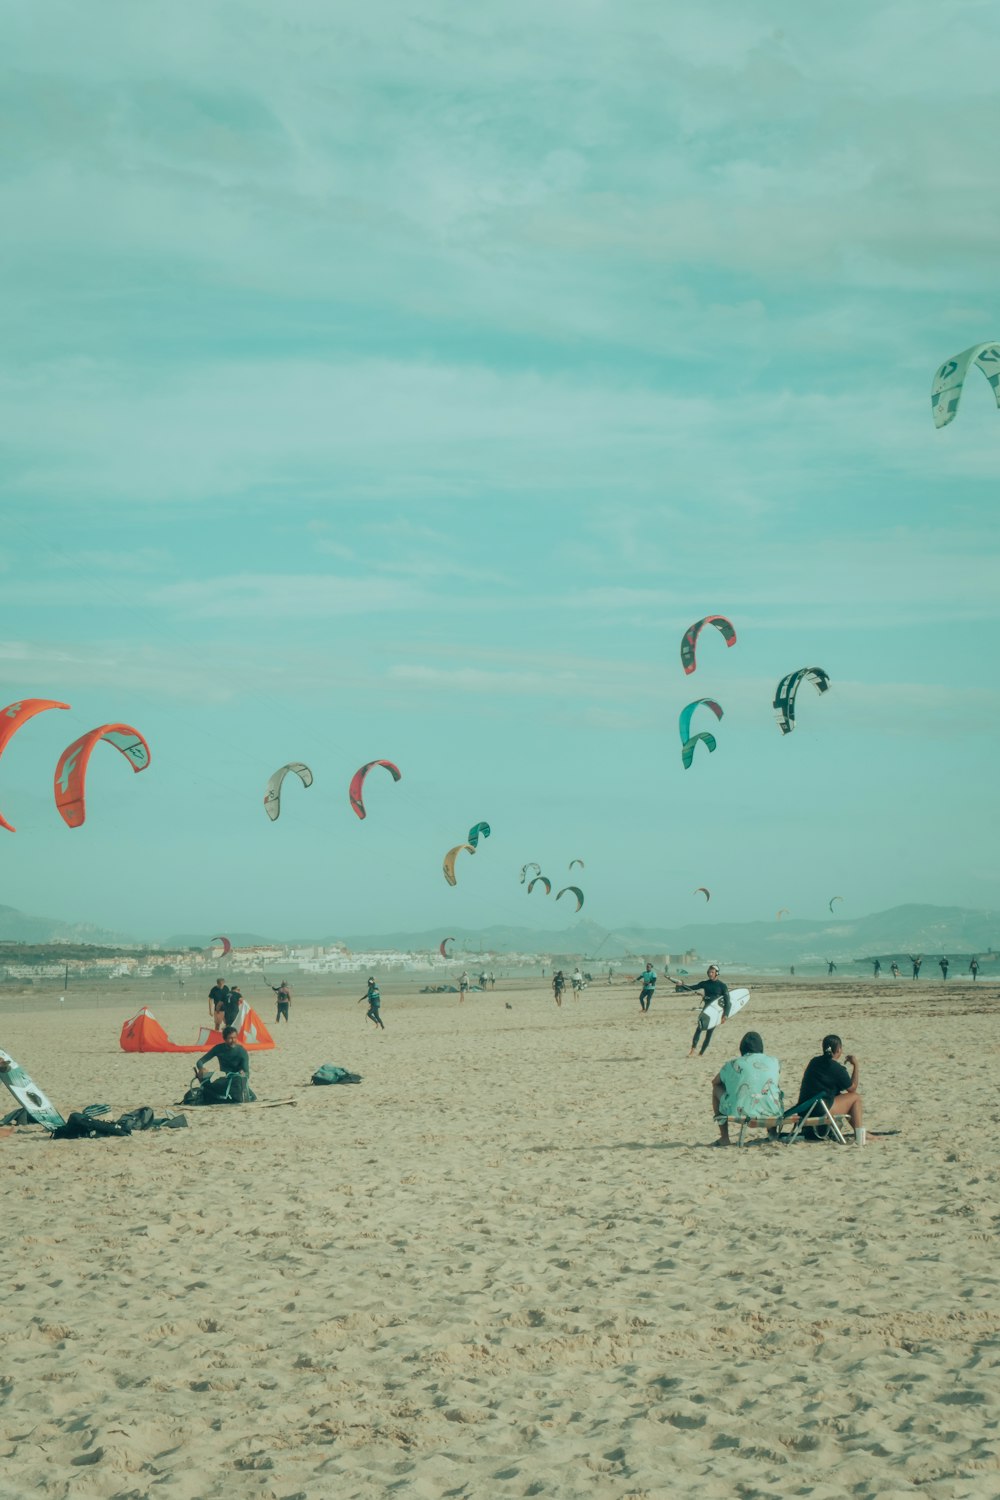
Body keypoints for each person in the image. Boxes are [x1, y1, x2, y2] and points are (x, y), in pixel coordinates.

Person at [710, 1031, 782, 1147]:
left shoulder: (733, 1063)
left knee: (716, 1089)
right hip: (772, 1111)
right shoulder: (774, 1061)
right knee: (772, 1088)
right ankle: (772, 1133)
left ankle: (724, 1138)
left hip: (739, 1111)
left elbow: (715, 1082)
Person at [793, 1034, 863, 1140]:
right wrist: (856, 1065)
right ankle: (860, 1135)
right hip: (820, 1109)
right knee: (855, 1097)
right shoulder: (837, 1068)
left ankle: (858, 1132)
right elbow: (852, 1088)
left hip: (805, 1109)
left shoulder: (814, 1062)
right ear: (839, 1049)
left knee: (842, 1097)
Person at [677, 965, 732, 1056]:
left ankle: (701, 1053)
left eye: (712, 972)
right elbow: (692, 987)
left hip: (716, 1012)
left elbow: (728, 1002)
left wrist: (725, 1015)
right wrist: (682, 985)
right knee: (699, 1029)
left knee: (709, 1032)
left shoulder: (722, 986)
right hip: (706, 1010)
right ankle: (692, 1050)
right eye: (709, 972)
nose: (710, 974)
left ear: (716, 973)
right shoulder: (705, 983)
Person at [194, 1025, 254, 1103]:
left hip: (238, 1081)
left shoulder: (241, 1051)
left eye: (235, 1038)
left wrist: (242, 1074)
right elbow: (200, 1061)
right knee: (207, 1086)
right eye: (230, 1038)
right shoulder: (219, 1048)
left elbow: (247, 1074)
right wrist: (201, 1069)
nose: (233, 1040)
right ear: (224, 1039)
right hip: (226, 1079)